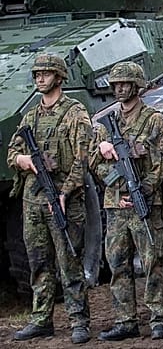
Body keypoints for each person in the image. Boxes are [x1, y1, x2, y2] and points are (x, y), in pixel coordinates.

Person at [7, 54, 92, 344]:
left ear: (59, 76)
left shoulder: (74, 113)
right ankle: (41, 319)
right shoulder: (31, 116)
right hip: (33, 202)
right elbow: (12, 152)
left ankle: (79, 320)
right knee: (39, 263)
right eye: (37, 74)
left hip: (63, 200)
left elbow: (82, 160)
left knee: (70, 263)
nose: (40, 78)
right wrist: (23, 160)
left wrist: (65, 193)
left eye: (45, 73)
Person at [89, 61, 163, 341]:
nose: (120, 88)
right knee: (117, 264)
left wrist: (142, 190)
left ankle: (159, 318)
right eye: (116, 84)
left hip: (144, 203)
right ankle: (125, 321)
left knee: (153, 262)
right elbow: (94, 161)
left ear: (137, 86)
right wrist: (112, 175)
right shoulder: (106, 123)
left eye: (125, 83)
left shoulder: (153, 119)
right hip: (115, 205)